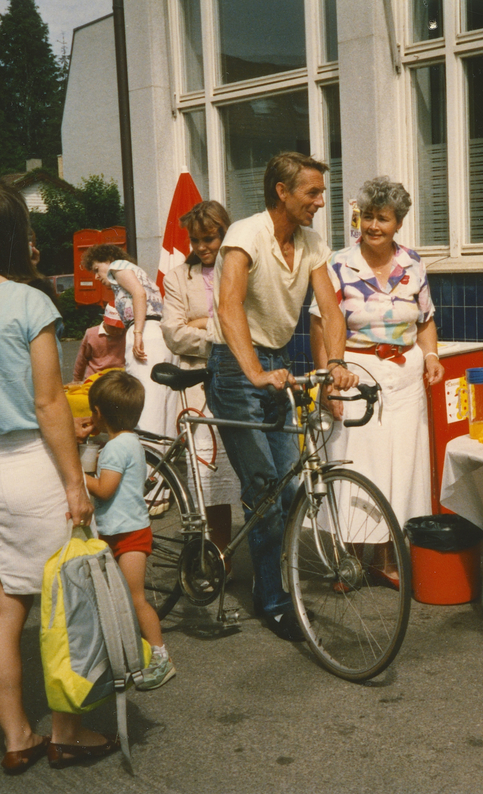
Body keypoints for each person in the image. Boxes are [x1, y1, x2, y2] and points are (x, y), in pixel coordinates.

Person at [0, 176, 117, 773]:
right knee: (68, 600)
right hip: (32, 463)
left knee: (0, 606)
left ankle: (16, 737)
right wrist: (73, 483)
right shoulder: (31, 303)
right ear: (13, 235)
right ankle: (66, 731)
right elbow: (49, 402)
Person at [207, 151, 357, 641]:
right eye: (312, 192)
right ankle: (272, 601)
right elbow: (228, 307)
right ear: (282, 192)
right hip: (234, 367)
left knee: (289, 488)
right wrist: (253, 372)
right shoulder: (245, 235)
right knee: (266, 492)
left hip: (274, 365)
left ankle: (277, 576)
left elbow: (331, 311)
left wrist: (334, 362)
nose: (320, 201)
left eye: (320, 192)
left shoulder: (311, 241)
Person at [309, 177, 444, 548]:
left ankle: (391, 551)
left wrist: (431, 355)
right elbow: (319, 325)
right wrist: (328, 379)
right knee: (356, 462)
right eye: (367, 217)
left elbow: (425, 319)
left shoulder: (412, 262)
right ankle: (347, 551)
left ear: (398, 222)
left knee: (404, 464)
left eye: (382, 218)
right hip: (354, 371)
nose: (373, 226)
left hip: (405, 376)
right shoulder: (337, 264)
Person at [83, 370, 176, 690]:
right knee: (129, 597)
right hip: (131, 529)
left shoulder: (113, 449)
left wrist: (79, 478)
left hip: (125, 533)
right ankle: (139, 652)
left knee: (133, 598)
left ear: (98, 413)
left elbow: (105, 489)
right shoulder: (131, 441)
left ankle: (161, 656)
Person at [161, 200, 239, 552]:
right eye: (196, 240)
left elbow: (255, 324)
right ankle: (219, 554)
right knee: (211, 473)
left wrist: (204, 323)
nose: (203, 247)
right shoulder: (179, 277)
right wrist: (223, 335)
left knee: (249, 469)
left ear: (226, 233)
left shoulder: (242, 269)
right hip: (196, 384)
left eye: (210, 238)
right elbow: (174, 334)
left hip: (241, 379)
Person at [80, 245, 176, 446]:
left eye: (97, 269)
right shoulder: (138, 272)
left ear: (107, 259)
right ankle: (164, 459)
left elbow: (138, 294)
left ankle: (150, 464)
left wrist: (138, 332)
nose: (96, 277)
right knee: (164, 401)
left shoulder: (117, 267)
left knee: (146, 400)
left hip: (146, 331)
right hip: (161, 334)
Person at [72, 303, 127, 382]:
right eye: (112, 327)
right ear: (104, 318)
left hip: (118, 378)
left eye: (119, 328)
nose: (116, 331)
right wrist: (77, 380)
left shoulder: (127, 334)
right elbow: (81, 359)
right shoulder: (91, 333)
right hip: (95, 377)